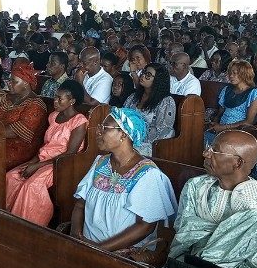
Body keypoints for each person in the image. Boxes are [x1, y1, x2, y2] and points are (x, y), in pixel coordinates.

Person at [168, 130, 257, 268]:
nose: (205, 154)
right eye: (208, 147)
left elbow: (256, 265)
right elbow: (183, 232)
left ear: (238, 163)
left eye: (214, 151)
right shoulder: (196, 186)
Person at [70, 107, 177, 251]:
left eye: (105, 128)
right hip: (87, 247)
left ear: (123, 134)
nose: (98, 132)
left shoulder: (147, 174)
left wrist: (100, 249)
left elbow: (145, 226)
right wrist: (76, 238)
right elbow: (80, 205)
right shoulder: (100, 163)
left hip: (122, 255)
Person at [5, 80, 88, 226]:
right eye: (55, 97)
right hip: (44, 158)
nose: (55, 101)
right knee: (11, 176)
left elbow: (70, 153)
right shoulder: (54, 116)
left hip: (61, 163)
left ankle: (27, 225)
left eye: (59, 98)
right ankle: (8, 218)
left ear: (72, 101)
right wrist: (32, 162)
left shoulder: (79, 121)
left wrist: (37, 166)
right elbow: (47, 145)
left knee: (31, 186)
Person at [0, 62, 48, 169]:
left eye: (14, 81)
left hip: (19, 149)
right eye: (9, 80)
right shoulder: (7, 97)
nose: (9, 83)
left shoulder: (36, 105)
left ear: (26, 83)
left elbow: (14, 132)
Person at [205, 60, 257, 146]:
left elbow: (248, 121)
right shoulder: (227, 89)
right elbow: (220, 113)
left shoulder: (253, 93)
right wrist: (214, 123)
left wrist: (223, 127)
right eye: (230, 73)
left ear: (244, 74)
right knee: (203, 136)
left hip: (238, 131)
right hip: (221, 128)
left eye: (235, 73)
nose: (231, 76)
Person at [123, 63, 176, 156]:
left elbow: (163, 130)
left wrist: (136, 137)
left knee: (124, 151)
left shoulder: (166, 101)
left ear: (158, 80)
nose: (143, 76)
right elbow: (122, 116)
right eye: (143, 72)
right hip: (128, 138)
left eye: (148, 75)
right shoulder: (134, 97)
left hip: (152, 144)